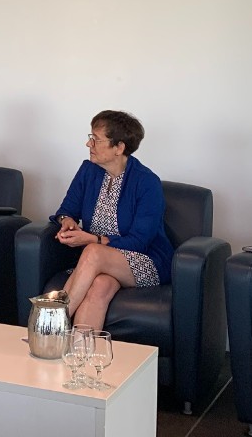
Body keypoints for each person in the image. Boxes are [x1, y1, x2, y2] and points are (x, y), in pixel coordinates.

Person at [51, 110, 173, 329]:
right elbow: (66, 209)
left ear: (119, 147)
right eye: (90, 137)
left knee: (92, 252)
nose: (89, 144)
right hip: (99, 264)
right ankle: (82, 357)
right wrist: (66, 221)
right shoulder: (88, 171)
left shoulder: (147, 182)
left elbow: (139, 241)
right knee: (100, 286)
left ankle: (50, 325)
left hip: (144, 260)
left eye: (96, 140)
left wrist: (93, 240)